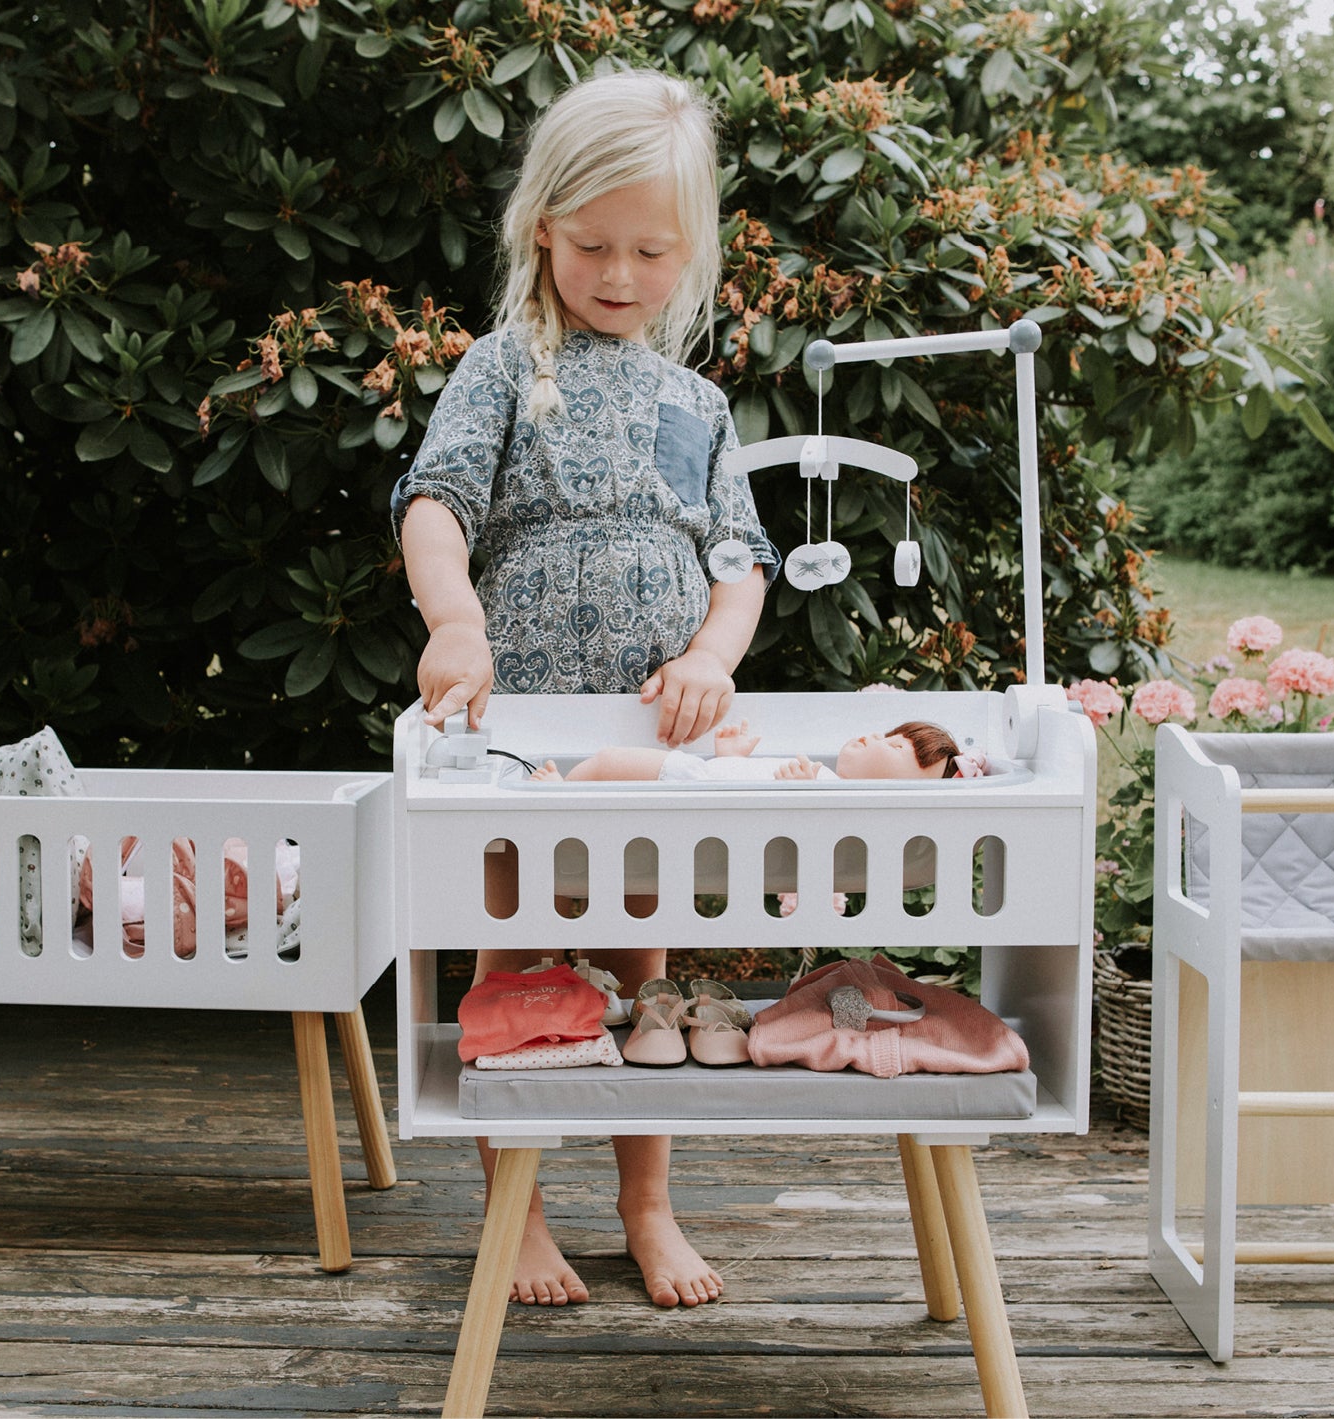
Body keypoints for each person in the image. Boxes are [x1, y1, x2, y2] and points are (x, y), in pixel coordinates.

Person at [391, 68, 778, 1310]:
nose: (619, 273)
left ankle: (648, 1199)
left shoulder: (699, 403)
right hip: (524, 737)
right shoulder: (504, 367)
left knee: (641, 969)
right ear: (542, 227)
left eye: (651, 251)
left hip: (646, 738)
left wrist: (713, 658)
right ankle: (521, 1210)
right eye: (594, 245)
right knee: (517, 973)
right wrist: (454, 619)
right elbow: (437, 502)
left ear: (692, 251)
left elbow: (741, 562)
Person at [529, 717, 986, 783]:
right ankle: (566, 792)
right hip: (702, 778)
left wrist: (802, 795)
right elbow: (747, 784)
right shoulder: (822, 777)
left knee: (609, 761)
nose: (874, 737)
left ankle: (562, 795)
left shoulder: (832, 792)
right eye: (887, 733)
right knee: (609, 763)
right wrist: (732, 757)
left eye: (894, 747)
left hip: (693, 784)